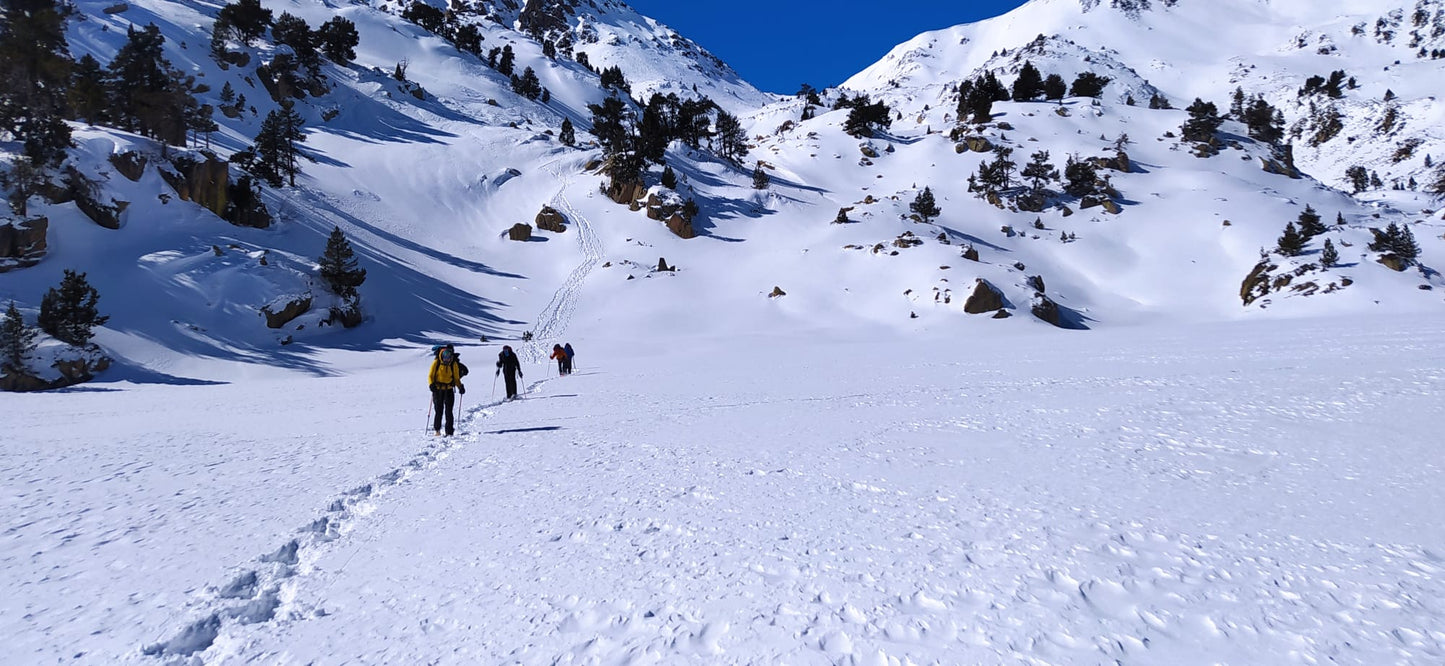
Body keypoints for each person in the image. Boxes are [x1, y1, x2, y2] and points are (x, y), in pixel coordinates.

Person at [428, 344, 467, 436]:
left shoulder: (453, 364)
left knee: (449, 411)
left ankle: (449, 431)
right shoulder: (436, 362)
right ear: (442, 355)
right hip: (437, 390)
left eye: (449, 357)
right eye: (445, 357)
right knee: (439, 410)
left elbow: (456, 379)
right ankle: (437, 430)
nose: (447, 359)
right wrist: (431, 385)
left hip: (449, 389)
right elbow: (430, 376)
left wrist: (460, 387)